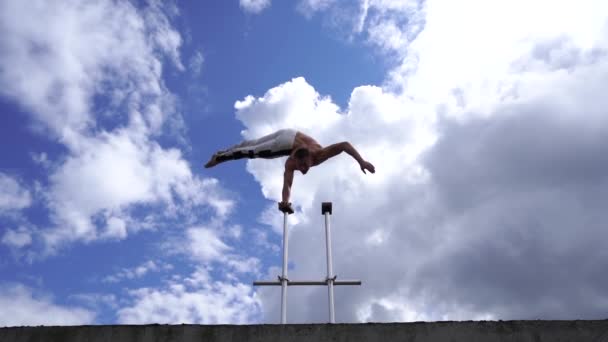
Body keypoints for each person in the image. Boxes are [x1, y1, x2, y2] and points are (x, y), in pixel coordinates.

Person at [204, 129, 375, 213]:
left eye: (304, 166)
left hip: (289, 131)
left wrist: (362, 161)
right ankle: (221, 157)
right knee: (253, 151)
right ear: (295, 160)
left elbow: (345, 145)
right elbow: (288, 183)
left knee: (253, 143)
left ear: (309, 158)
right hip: (284, 142)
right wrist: (285, 202)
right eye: (301, 167)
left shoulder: (320, 153)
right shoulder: (291, 162)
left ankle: (221, 151)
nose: (302, 170)